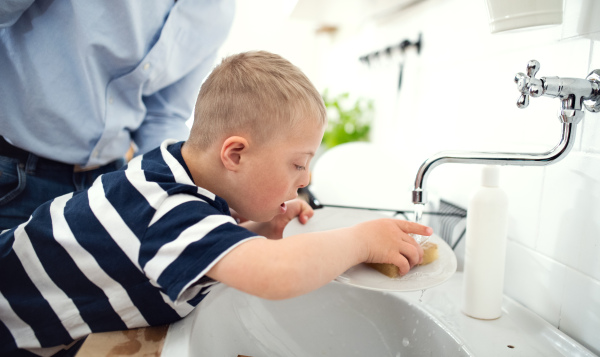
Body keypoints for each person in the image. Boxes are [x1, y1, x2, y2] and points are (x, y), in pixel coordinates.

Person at [0, 51, 432, 356]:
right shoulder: (164, 206)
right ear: (235, 155)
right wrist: (360, 241)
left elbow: (190, 247)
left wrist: (257, 232)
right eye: (298, 164)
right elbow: (274, 274)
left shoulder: (173, 169)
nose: (307, 179)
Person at [0, 0, 235, 230]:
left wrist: (196, 190)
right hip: (11, 171)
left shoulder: (217, 11)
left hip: (103, 188)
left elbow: (164, 116)